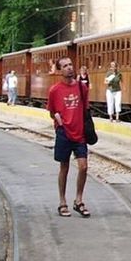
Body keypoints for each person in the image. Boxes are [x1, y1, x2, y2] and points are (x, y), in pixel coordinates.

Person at [47, 56, 91, 218]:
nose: (69, 68)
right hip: (64, 132)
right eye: (65, 66)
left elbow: (86, 108)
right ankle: (62, 201)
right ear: (60, 70)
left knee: (84, 167)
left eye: (71, 64)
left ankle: (78, 200)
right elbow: (51, 111)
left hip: (79, 133)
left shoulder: (82, 88)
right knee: (64, 167)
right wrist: (57, 118)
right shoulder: (54, 90)